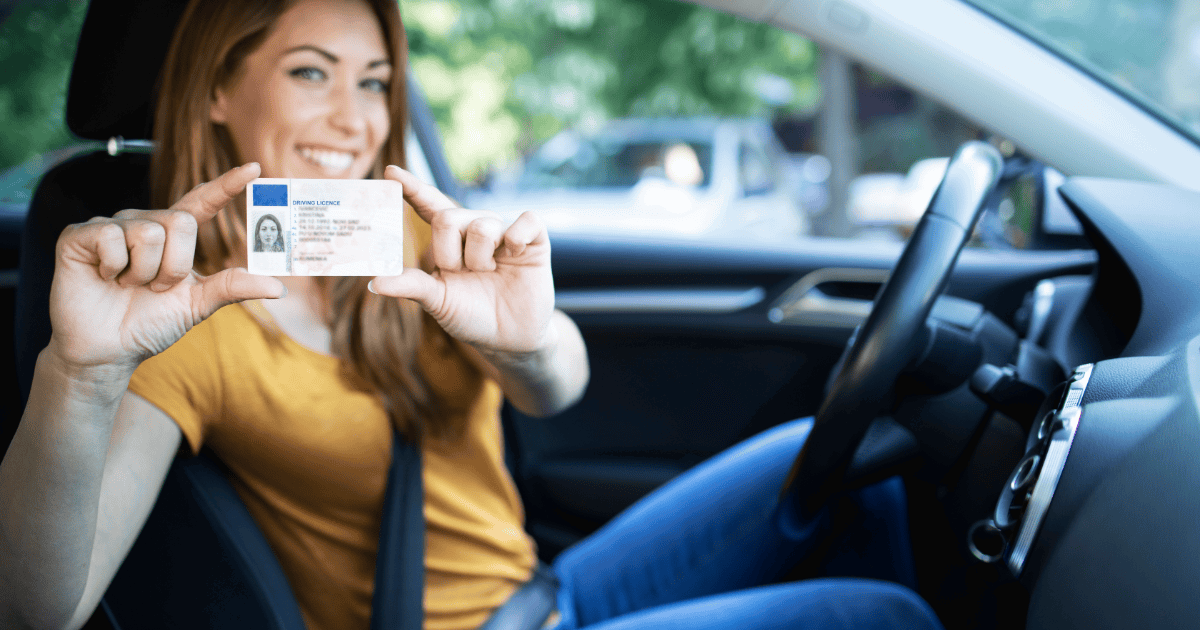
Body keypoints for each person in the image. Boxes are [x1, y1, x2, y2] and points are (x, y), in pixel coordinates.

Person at [0, 1, 944, 629]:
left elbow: (555, 389)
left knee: (842, 459)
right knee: (885, 616)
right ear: (215, 91)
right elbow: (45, 605)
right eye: (311, 73)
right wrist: (76, 377)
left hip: (544, 588)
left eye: (373, 82)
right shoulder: (182, 319)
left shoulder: (403, 240)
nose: (354, 119)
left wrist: (527, 337)